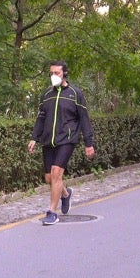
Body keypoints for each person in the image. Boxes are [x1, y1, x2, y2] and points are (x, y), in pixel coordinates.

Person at [28, 60, 96, 225]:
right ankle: (65, 194)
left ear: (64, 73)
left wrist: (89, 143)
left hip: (67, 139)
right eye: (51, 73)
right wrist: (34, 138)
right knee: (49, 178)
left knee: (57, 172)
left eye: (56, 73)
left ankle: (52, 212)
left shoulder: (75, 93)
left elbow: (84, 119)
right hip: (48, 140)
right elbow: (41, 118)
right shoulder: (46, 95)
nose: (53, 76)